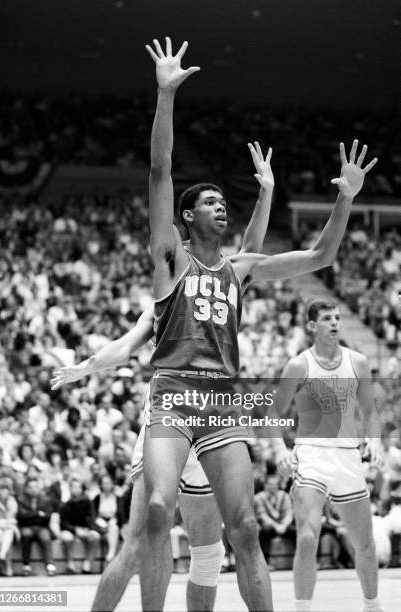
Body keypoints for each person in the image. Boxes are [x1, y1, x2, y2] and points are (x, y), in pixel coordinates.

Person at [140, 36, 377, 612]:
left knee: (244, 530)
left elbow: (319, 258)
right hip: (172, 394)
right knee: (153, 512)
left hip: (222, 399)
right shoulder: (171, 253)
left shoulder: (241, 268)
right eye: (211, 202)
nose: (222, 205)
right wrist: (165, 96)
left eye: (227, 201)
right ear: (188, 217)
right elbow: (159, 168)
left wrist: (345, 198)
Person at [51, 130, 276, 611]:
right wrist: (84, 368)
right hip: (171, 412)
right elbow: (127, 346)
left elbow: (251, 252)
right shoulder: (168, 288)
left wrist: (266, 192)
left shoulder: (228, 276)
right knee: (140, 539)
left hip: (215, 408)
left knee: (212, 551)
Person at [271, 299, 385, 612]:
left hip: (348, 457)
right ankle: (302, 609)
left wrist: (374, 441)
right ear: (311, 326)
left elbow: (370, 411)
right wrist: (280, 448)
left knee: (364, 541)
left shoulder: (358, 362)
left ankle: (372, 605)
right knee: (308, 536)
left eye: (337, 317)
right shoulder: (299, 365)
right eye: (326, 318)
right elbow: (272, 412)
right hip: (311, 457)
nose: (335, 323)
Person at [17, 477, 57, 577]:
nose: (33, 489)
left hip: (42, 527)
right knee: (26, 535)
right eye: (31, 487)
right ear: (26, 488)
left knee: (46, 537)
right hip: (27, 527)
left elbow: (47, 517)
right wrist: (38, 514)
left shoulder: (46, 499)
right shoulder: (21, 500)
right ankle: (26, 565)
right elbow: (22, 517)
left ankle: (50, 565)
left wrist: (30, 515)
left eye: (35, 487)